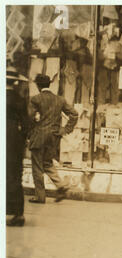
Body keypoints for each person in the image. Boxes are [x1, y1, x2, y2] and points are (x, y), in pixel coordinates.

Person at [28, 74, 78, 203]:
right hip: (54, 137)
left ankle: (40, 196)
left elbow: (29, 118)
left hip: (39, 136)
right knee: (47, 163)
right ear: (49, 84)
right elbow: (74, 114)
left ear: (38, 86)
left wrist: (30, 132)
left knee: (37, 167)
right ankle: (61, 186)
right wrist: (65, 129)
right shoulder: (59, 100)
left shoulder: (35, 99)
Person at [6, 66, 30, 227]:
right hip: (14, 139)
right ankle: (18, 213)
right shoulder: (19, 99)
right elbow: (27, 124)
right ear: (15, 82)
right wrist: (21, 140)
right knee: (15, 174)